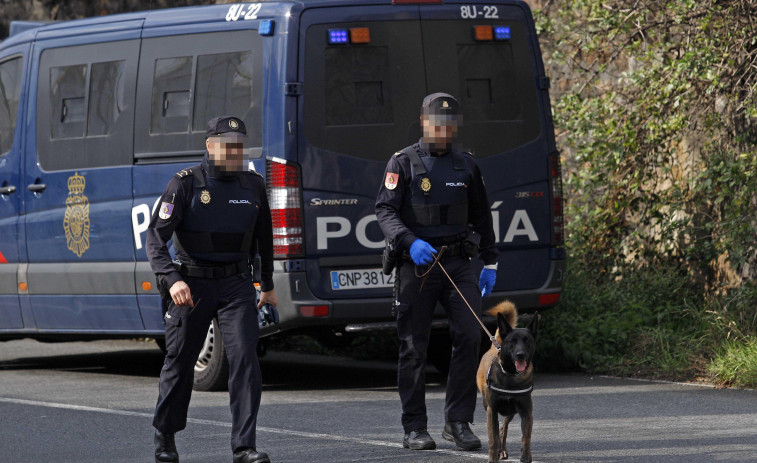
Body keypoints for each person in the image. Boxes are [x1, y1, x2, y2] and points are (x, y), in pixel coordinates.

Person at [146, 116, 276, 463]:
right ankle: (166, 435)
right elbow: (155, 240)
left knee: (246, 359)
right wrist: (172, 280)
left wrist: (268, 284)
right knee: (181, 360)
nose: (235, 151)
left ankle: (244, 446)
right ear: (210, 145)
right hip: (193, 284)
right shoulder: (185, 184)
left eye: (239, 145)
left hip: (236, 284)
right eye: (227, 145)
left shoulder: (253, 185)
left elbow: (265, 239)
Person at [375, 93, 498, 451]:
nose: (444, 131)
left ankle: (458, 422)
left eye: (450, 125)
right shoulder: (403, 163)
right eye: (437, 124)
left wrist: (490, 261)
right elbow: (385, 210)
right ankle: (414, 427)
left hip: (459, 263)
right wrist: (408, 241)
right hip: (419, 265)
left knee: (469, 336)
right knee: (414, 346)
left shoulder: (467, 165)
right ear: (424, 122)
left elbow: (482, 215)